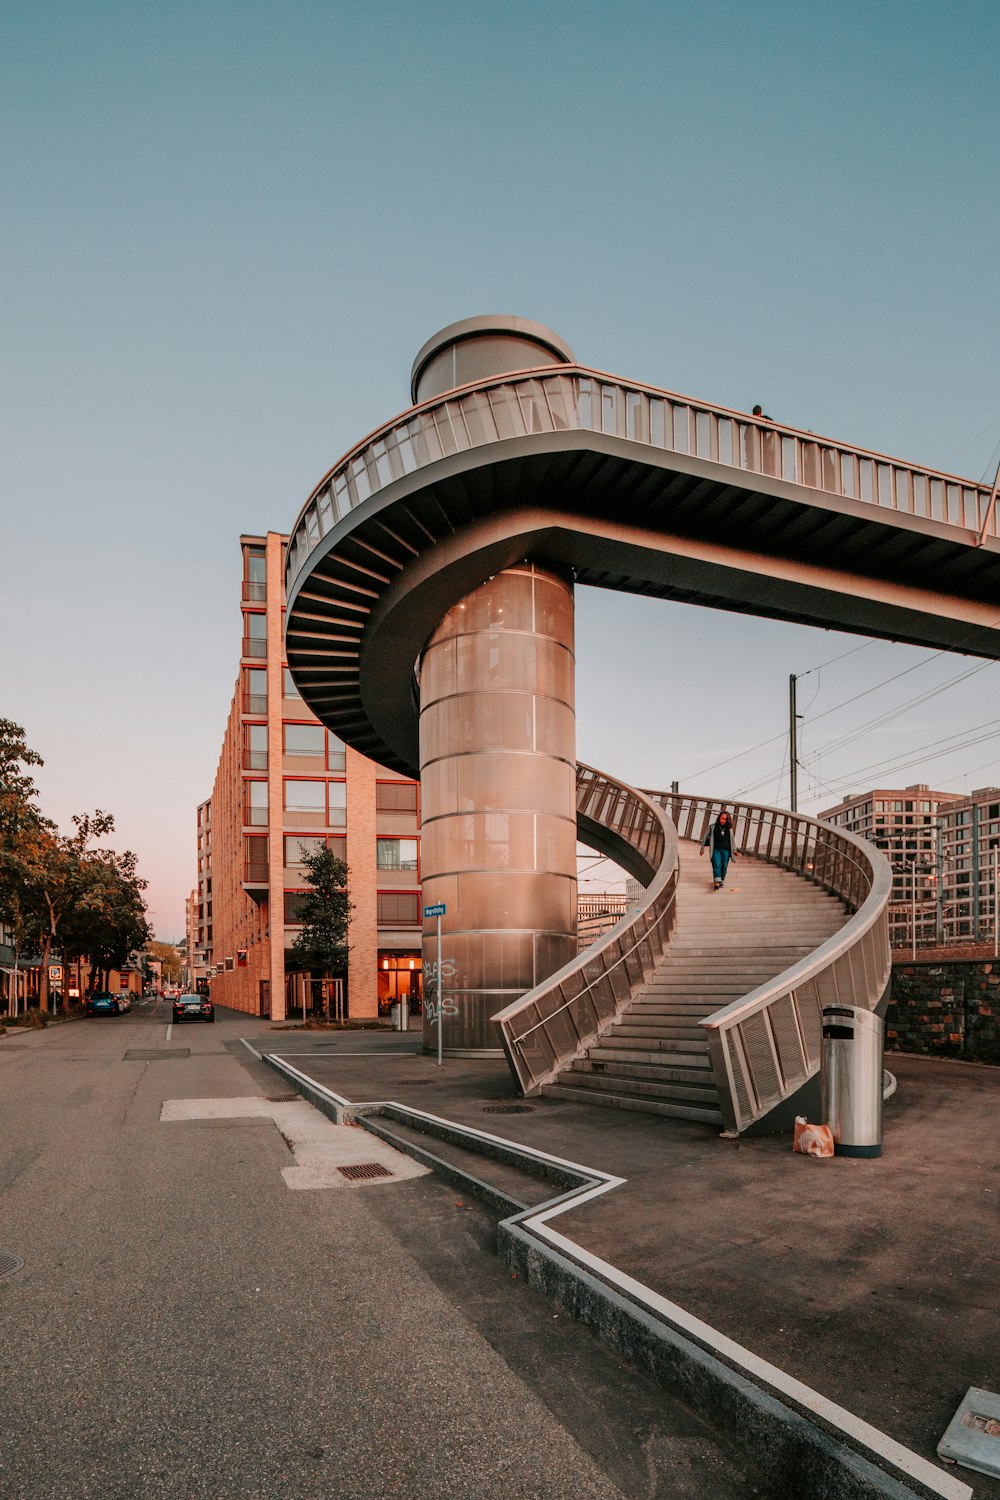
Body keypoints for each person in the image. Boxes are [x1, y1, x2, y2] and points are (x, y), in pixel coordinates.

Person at [701, 811, 737, 889]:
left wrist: (734, 850)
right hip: (716, 850)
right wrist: (702, 849)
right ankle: (716, 882)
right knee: (716, 864)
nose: (723, 820)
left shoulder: (729, 829)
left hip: (726, 851)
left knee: (724, 866)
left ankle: (721, 881)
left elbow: (732, 840)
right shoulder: (713, 827)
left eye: (725, 819)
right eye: (722, 818)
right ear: (719, 818)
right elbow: (704, 837)